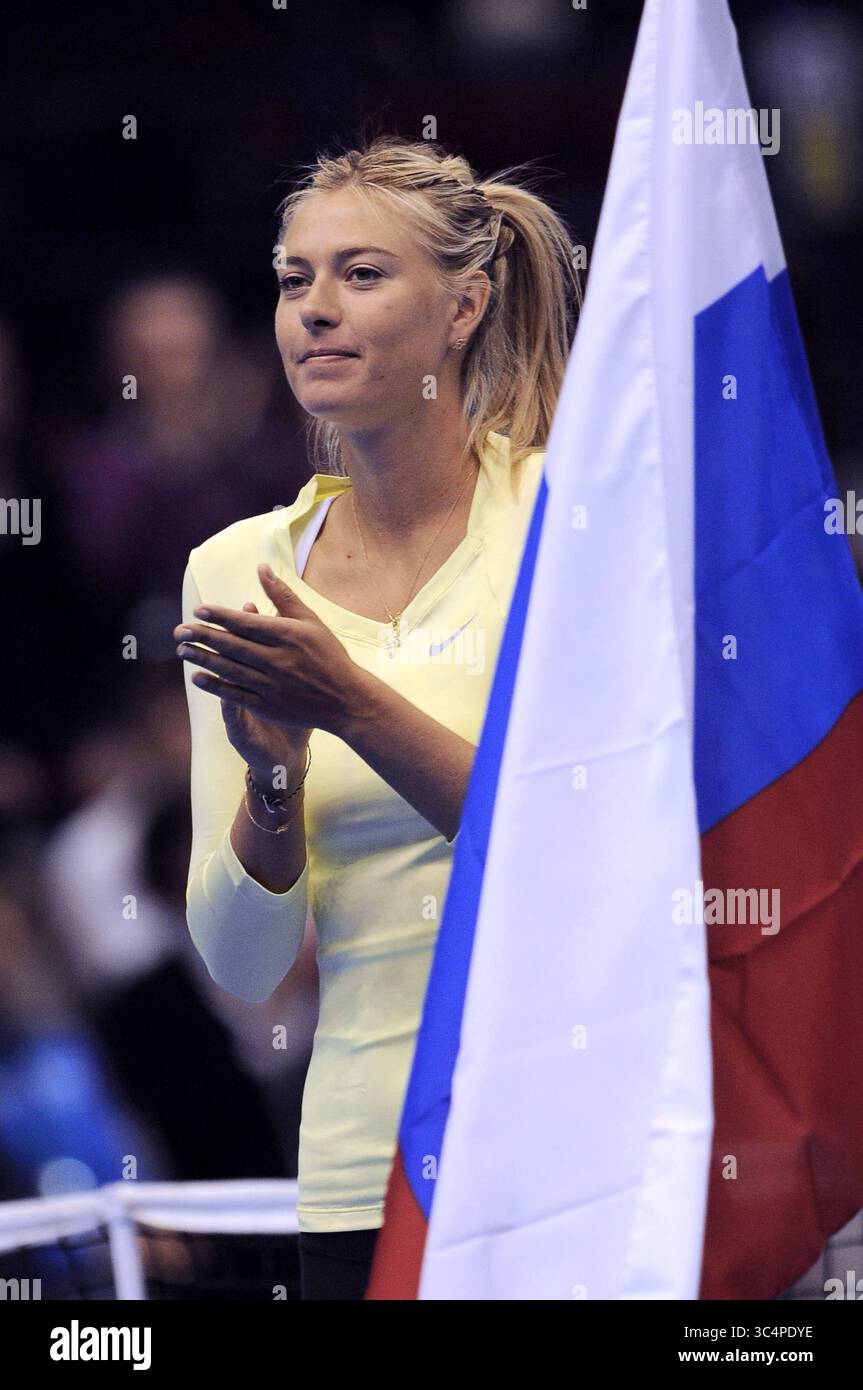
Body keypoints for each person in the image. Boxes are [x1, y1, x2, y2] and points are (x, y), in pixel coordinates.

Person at [174, 134, 580, 1299]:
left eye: (360, 274)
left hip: (576, 1142)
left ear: (462, 307)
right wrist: (274, 778)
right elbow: (245, 966)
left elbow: (575, 854)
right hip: (364, 1169)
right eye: (293, 278)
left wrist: (348, 703)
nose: (313, 309)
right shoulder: (234, 570)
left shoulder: (571, 517)